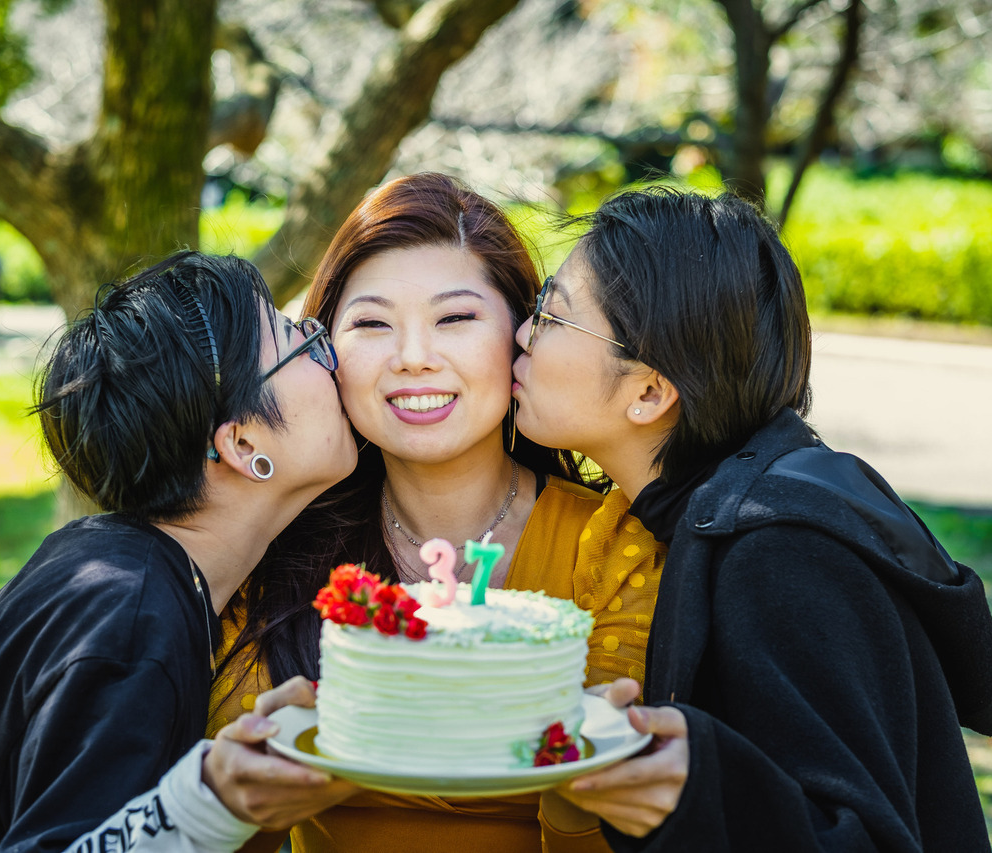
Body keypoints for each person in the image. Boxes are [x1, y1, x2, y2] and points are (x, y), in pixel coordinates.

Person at [510, 187, 992, 850]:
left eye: (551, 313)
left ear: (649, 391)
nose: (522, 333)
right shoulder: (708, 515)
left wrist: (700, 780)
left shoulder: (778, 551)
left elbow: (870, 836)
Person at [0, 252, 360, 852]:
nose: (336, 358)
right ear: (243, 443)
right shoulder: (131, 621)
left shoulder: (103, 568)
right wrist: (210, 801)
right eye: (301, 341)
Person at [207, 173, 667, 852]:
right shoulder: (282, 550)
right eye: (371, 323)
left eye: (455, 318)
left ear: (525, 332)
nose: (414, 358)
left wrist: (578, 805)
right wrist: (251, 802)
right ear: (326, 347)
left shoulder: (610, 542)